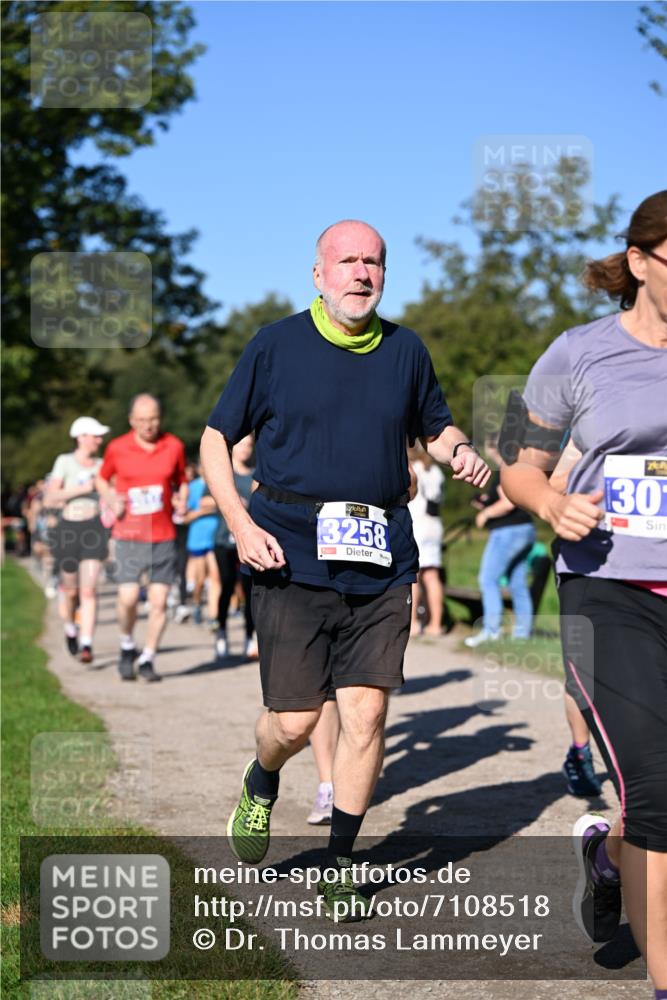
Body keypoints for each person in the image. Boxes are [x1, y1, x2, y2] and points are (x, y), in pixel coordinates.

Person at [200, 219, 490, 920]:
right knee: (295, 721)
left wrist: (457, 449)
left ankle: (340, 861)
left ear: (384, 275)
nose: (361, 273)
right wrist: (239, 523)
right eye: (348, 261)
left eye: (374, 263)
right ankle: (262, 777)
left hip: (380, 551)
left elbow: (435, 422)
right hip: (288, 549)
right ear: (318, 274)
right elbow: (215, 438)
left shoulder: (405, 349)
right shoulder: (274, 345)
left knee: (366, 711)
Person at [501, 191, 667, 997]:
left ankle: (606, 862)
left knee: (651, 796)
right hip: (609, 585)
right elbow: (517, 462)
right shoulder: (577, 353)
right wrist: (548, 502)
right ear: (640, 262)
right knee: (656, 778)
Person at [97, 394, 188, 682]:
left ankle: (148, 657)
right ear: (131, 420)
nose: (148, 426)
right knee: (129, 597)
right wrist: (111, 498)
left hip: (163, 534)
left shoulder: (173, 445)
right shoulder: (117, 448)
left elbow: (181, 481)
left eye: (153, 419)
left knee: (159, 602)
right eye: (142, 420)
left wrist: (182, 501)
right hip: (129, 533)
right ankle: (127, 644)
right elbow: (101, 478)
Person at [44, 417, 110, 663]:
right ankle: (71, 627)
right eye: (96, 436)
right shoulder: (64, 462)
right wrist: (83, 489)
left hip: (94, 528)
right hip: (68, 528)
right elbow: (50, 498)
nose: (99, 440)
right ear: (81, 437)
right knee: (71, 590)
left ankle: (86, 644)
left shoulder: (103, 464)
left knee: (89, 590)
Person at [464, 435, 535, 647]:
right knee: (517, 583)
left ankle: (491, 631)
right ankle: (523, 635)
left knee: (488, 579)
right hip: (525, 529)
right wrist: (486, 503)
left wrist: (485, 514)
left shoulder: (505, 469)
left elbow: (507, 503)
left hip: (507, 532)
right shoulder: (518, 468)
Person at [210, 435, 257, 661]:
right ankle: (221, 633)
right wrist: (229, 502)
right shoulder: (224, 474)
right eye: (241, 444)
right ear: (232, 447)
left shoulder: (257, 475)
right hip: (224, 541)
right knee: (227, 586)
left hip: (249, 541)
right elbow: (204, 500)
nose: (245, 450)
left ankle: (250, 638)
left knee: (250, 591)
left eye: (249, 445)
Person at [407, 442, 446, 637]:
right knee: (432, 576)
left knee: (414, 576)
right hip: (435, 525)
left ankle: (413, 624)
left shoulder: (415, 469)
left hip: (419, 524)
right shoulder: (437, 471)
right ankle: (436, 624)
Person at [183, 463, 221, 628]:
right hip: (198, 538)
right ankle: (197, 603)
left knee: (215, 576)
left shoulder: (221, 483)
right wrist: (204, 511)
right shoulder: (193, 487)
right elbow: (184, 518)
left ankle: (213, 616)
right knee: (199, 580)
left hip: (217, 538)